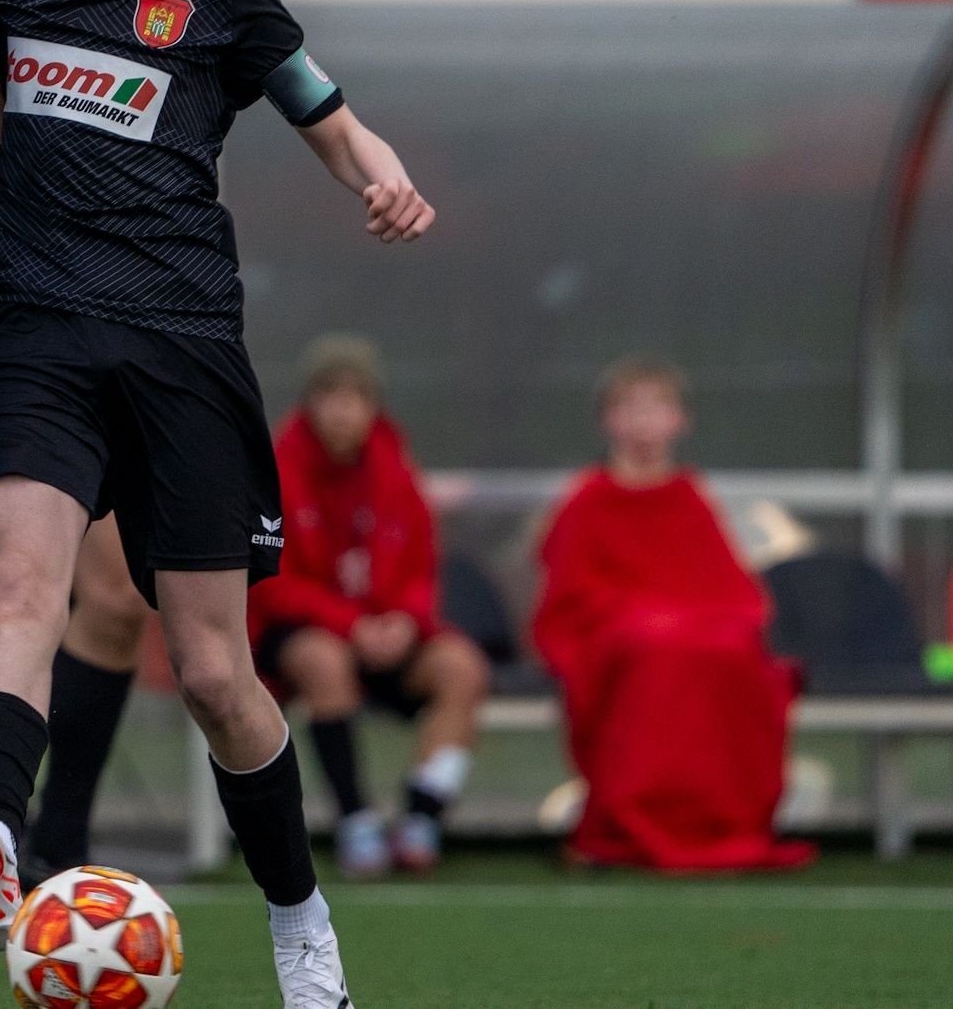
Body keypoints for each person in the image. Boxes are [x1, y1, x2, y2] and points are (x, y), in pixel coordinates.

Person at [0, 0, 433, 1008]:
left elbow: (326, 111)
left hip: (184, 351)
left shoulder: (228, 1)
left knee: (214, 672)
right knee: (20, 593)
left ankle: (298, 919)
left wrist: (379, 173)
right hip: (37, 335)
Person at [531, 355, 815, 872]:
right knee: (653, 646)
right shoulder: (587, 500)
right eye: (630, 408)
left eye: (657, 407)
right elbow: (569, 599)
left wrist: (688, 618)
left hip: (690, 633)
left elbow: (735, 591)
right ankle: (630, 818)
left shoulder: (690, 496)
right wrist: (648, 616)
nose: (643, 421)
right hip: (616, 638)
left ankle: (724, 821)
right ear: (608, 420)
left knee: (734, 650)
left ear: (679, 421)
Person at [248, 335, 488, 878]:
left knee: (463, 669)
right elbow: (271, 582)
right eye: (329, 394)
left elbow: (422, 564)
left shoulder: (396, 469)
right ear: (309, 402)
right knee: (323, 664)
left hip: (389, 631)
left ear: (373, 404)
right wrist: (352, 626)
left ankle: (423, 815)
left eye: (355, 396)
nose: (342, 410)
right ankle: (356, 818)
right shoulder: (276, 469)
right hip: (309, 633)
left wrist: (405, 620)